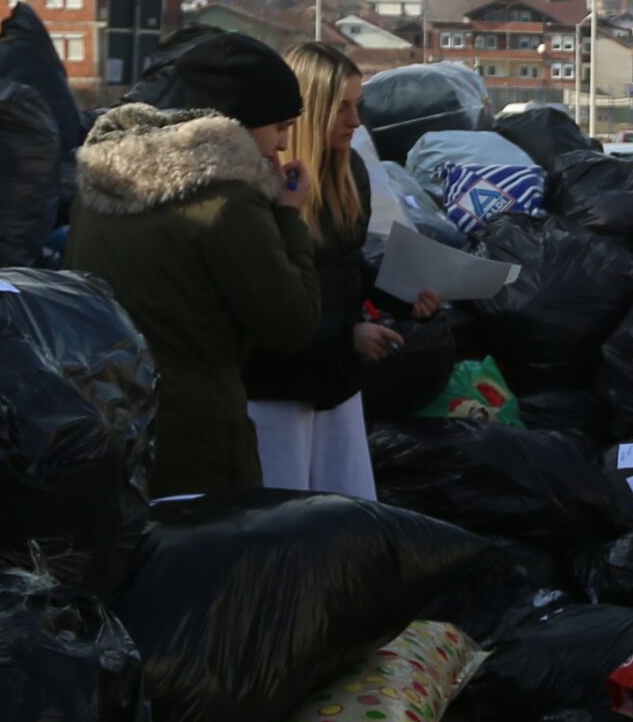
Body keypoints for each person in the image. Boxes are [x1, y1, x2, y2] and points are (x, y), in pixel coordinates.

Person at [67, 31, 324, 496]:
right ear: (237, 126)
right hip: (197, 440)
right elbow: (292, 324)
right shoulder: (226, 202)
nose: (283, 145)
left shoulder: (97, 187)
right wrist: (290, 217)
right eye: (279, 127)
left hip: (107, 424)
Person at [242, 42, 440, 497]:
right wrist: (344, 334)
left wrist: (404, 300)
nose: (356, 121)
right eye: (342, 108)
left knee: (348, 510)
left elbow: (346, 268)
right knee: (288, 516)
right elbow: (262, 302)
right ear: (308, 112)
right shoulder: (264, 185)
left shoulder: (350, 170)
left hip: (337, 382)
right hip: (277, 387)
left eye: (358, 105)